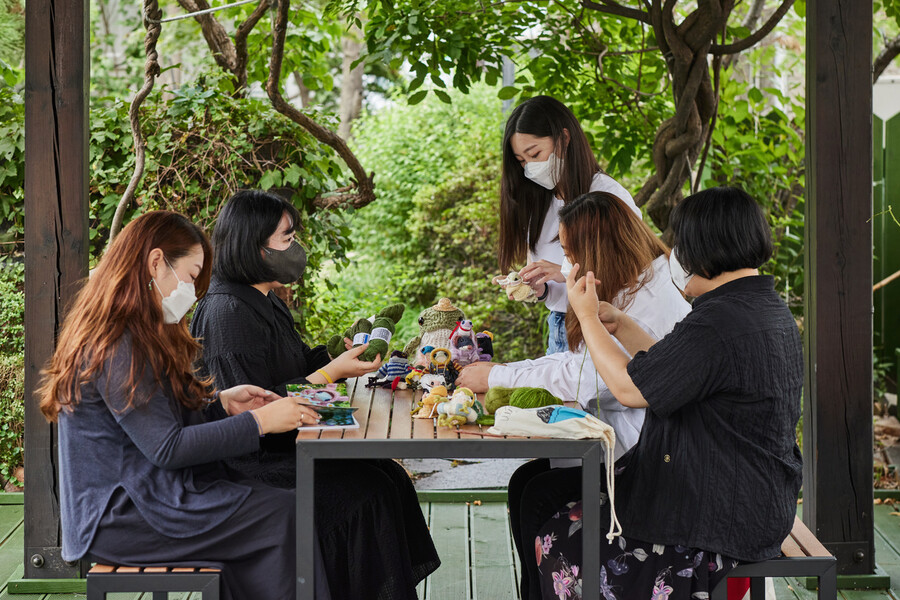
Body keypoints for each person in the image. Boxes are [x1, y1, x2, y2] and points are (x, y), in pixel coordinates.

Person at [530, 187, 803, 599]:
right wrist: (618, 322)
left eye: (680, 243)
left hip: (717, 522)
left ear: (702, 247)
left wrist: (585, 315)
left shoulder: (718, 322)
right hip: (752, 497)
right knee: (545, 494)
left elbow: (628, 388)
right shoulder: (762, 308)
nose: (674, 253)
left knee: (556, 541)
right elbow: (670, 367)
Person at [39, 211, 322, 600]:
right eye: (191, 276)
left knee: (279, 507)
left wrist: (223, 404)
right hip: (119, 517)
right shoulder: (116, 344)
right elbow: (167, 447)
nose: (193, 291)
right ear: (157, 262)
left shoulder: (133, 330)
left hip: (148, 496)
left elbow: (158, 423)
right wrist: (259, 422)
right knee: (282, 515)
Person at [189, 190, 440, 599]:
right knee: (366, 494)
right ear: (255, 247)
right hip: (253, 465)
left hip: (290, 445)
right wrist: (329, 373)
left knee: (387, 474)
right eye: (287, 239)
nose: (297, 249)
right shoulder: (227, 313)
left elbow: (293, 365)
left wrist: (336, 356)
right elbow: (260, 409)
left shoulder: (263, 296)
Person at [460, 190, 690, 599]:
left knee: (536, 492)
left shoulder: (650, 299)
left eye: (568, 252)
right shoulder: (632, 283)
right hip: (632, 443)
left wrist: (497, 376)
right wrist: (500, 373)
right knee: (528, 481)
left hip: (651, 461)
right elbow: (574, 360)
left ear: (596, 249)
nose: (565, 264)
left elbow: (586, 377)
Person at [499, 95, 641, 354]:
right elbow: (555, 291)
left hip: (605, 328)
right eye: (522, 162)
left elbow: (632, 275)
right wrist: (538, 288)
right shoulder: (540, 201)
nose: (530, 168)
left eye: (535, 154)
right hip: (560, 327)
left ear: (564, 139)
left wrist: (564, 272)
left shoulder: (608, 197)